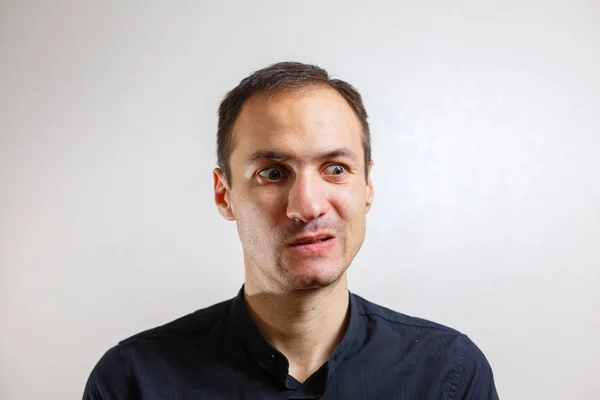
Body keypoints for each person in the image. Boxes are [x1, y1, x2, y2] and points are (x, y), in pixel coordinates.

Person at [83, 61, 499, 399]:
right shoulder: (132, 383)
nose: (308, 206)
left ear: (367, 187)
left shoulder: (449, 374)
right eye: (273, 172)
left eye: (335, 169)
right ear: (224, 195)